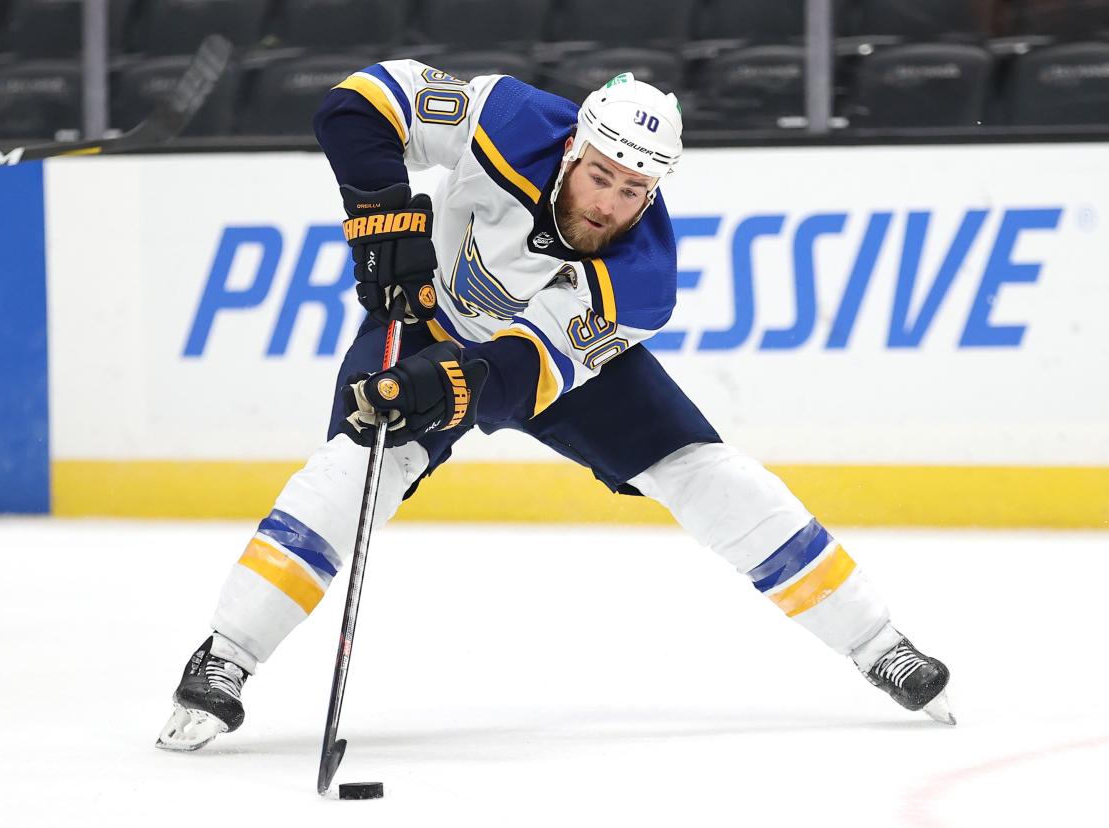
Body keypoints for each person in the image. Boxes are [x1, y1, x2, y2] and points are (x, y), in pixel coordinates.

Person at [155, 62, 955, 751]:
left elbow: (521, 373)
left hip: (541, 364)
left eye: (633, 189)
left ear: (656, 190)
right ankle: (224, 657)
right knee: (352, 470)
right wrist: (382, 215)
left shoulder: (640, 282)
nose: (609, 203)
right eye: (600, 174)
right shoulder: (505, 119)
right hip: (421, 315)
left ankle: (878, 643)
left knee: (710, 475)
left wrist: (445, 386)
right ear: (574, 145)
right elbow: (355, 104)